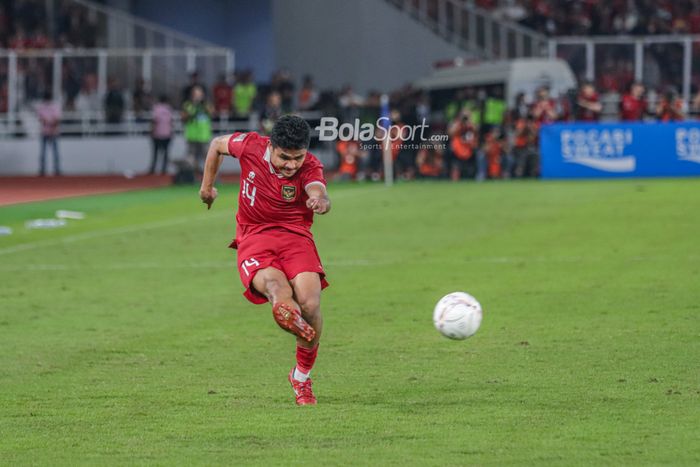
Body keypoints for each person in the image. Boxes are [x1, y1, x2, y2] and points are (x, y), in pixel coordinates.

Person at [198, 115, 331, 406]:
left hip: (296, 236)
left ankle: (300, 377)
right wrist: (207, 187)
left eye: (297, 158)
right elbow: (216, 145)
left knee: (310, 303)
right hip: (254, 236)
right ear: (271, 146)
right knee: (276, 288)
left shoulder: (310, 166)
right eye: (284, 157)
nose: (291, 165)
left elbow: (317, 189)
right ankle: (285, 310)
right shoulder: (249, 145)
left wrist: (320, 202)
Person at [182, 85, 213, 173]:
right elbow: (184, 118)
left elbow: (212, 113)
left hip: (204, 136)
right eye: (196, 94)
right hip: (192, 136)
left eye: (199, 94)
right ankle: (191, 178)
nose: (198, 96)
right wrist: (193, 109)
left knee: (208, 158)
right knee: (191, 158)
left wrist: (203, 106)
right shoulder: (188, 105)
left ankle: (212, 179)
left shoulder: (206, 105)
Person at [36, 90, 61, 176]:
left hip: (51, 131)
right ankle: (44, 170)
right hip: (47, 132)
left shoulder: (52, 106)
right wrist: (51, 124)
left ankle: (56, 170)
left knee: (53, 153)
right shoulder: (50, 106)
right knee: (45, 153)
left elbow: (56, 120)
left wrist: (49, 124)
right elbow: (42, 119)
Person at [150, 95, 173, 175]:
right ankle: (164, 170)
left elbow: (154, 121)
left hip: (157, 134)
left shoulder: (156, 108)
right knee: (165, 153)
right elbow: (171, 122)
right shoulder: (169, 109)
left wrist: (152, 131)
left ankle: (153, 169)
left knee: (155, 153)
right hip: (167, 134)